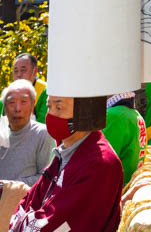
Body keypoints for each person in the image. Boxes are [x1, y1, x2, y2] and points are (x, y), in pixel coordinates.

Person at [8, 94, 123, 231]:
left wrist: (21, 225)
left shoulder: (100, 164)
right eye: (49, 106)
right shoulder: (63, 153)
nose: (50, 115)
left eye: (58, 107)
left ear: (84, 112)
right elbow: (29, 201)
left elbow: (60, 223)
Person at [0, 81, 54, 186]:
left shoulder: (43, 134)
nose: (17, 109)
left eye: (23, 102)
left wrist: (8, 186)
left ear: (33, 104)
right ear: (5, 106)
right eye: (12, 102)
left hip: (26, 196)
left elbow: (47, 178)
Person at [102, 93, 146, 186]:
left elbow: (102, 163)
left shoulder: (113, 115)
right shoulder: (135, 114)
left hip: (117, 188)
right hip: (130, 185)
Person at [0, 57, 47, 125]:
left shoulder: (46, 90)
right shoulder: (9, 93)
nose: (18, 75)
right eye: (15, 71)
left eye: (23, 70)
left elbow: (44, 123)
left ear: (35, 71)